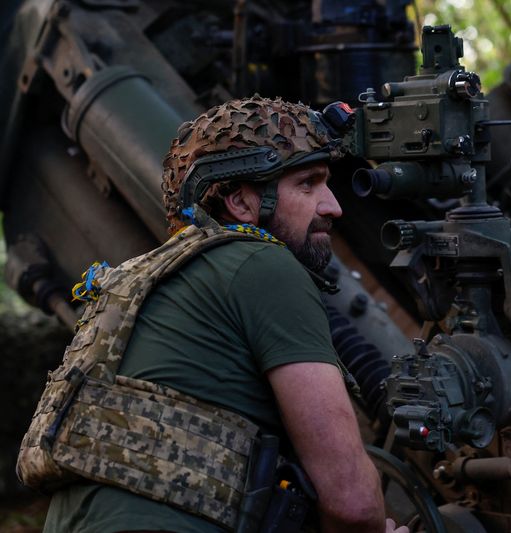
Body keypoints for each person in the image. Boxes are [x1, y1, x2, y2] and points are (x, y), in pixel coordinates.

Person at [31, 96, 407, 533]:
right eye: (308, 183)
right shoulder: (263, 264)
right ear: (242, 204)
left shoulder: (146, 279)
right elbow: (353, 504)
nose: (332, 206)